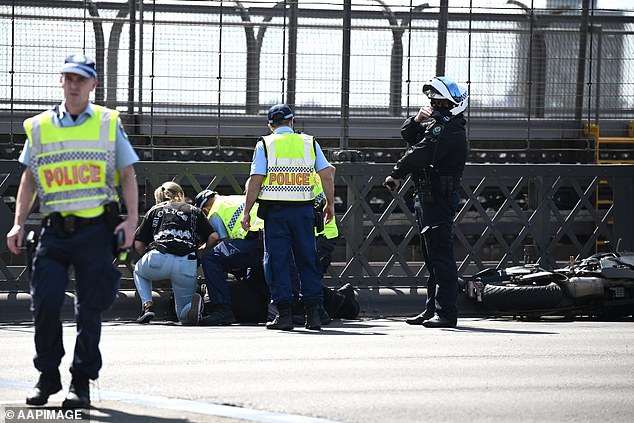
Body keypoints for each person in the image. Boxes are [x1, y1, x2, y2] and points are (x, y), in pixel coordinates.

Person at [4, 54, 139, 408]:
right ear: (61, 82)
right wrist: (19, 221)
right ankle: (48, 376)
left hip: (96, 228)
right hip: (54, 230)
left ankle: (81, 381)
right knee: (45, 302)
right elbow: (28, 178)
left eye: (81, 79)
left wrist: (131, 219)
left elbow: (127, 175)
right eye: (69, 78)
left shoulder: (109, 123)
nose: (74, 84)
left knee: (89, 310)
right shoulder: (40, 126)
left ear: (93, 85)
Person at [241, 103, 335, 331]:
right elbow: (327, 174)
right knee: (307, 260)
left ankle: (283, 316)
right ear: (293, 122)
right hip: (304, 212)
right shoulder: (309, 142)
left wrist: (246, 211)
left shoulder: (265, 144)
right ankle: (312, 316)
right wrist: (330, 204)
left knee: (277, 261)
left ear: (270, 126)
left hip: (276, 214)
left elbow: (255, 180)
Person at [384, 76, 468, 329]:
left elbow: (419, 154)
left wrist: (396, 173)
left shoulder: (450, 131)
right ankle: (432, 309)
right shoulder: (439, 128)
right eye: (432, 102)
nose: (434, 106)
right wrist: (417, 120)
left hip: (438, 199)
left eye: (439, 103)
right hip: (427, 197)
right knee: (432, 258)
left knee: (441, 257)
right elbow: (410, 136)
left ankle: (446, 313)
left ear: (453, 104)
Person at [133, 182, 215, 326]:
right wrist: (202, 251)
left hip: (158, 256)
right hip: (187, 262)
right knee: (183, 315)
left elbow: (138, 244)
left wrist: (146, 257)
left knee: (139, 272)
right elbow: (213, 237)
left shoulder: (155, 210)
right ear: (180, 194)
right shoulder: (194, 210)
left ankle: (147, 307)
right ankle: (192, 306)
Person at [194, 189, 265, 325]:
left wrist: (205, 249)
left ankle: (222, 310)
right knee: (252, 277)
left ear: (204, 210)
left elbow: (222, 240)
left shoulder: (214, 211)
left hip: (253, 241)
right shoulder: (236, 198)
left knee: (211, 258)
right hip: (271, 239)